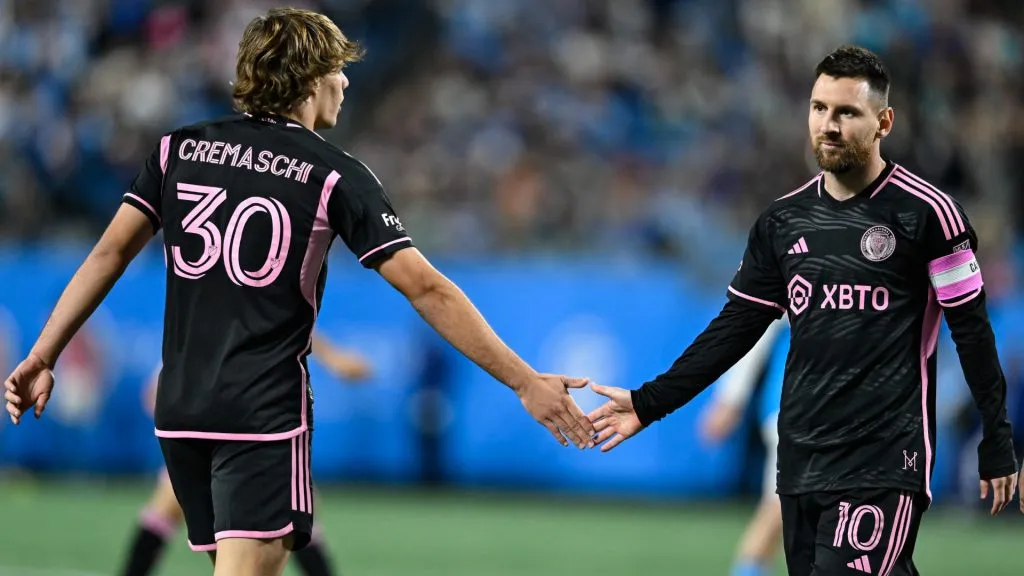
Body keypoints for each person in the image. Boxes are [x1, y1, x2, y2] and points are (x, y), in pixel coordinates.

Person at [4, 8, 596, 576]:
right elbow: (427, 289)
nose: (345, 82)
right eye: (338, 69)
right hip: (260, 414)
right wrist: (524, 381)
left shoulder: (177, 149)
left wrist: (42, 355)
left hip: (181, 411)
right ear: (311, 79)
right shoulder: (333, 174)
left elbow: (108, 254)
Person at [586, 45, 1018, 576]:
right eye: (819, 108)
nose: (829, 125)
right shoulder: (782, 222)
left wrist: (997, 437)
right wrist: (649, 402)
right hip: (800, 460)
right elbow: (735, 328)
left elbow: (972, 332)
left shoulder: (929, 215)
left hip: (883, 458)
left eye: (847, 112)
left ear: (884, 122)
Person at [119, 332, 370, 576]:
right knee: (290, 511)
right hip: (232, 408)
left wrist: (333, 357)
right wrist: (333, 358)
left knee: (291, 513)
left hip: (212, 402)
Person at [700, 320, 787, 576]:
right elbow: (756, 321)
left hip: (860, 411)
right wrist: (730, 399)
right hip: (796, 407)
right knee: (781, 507)